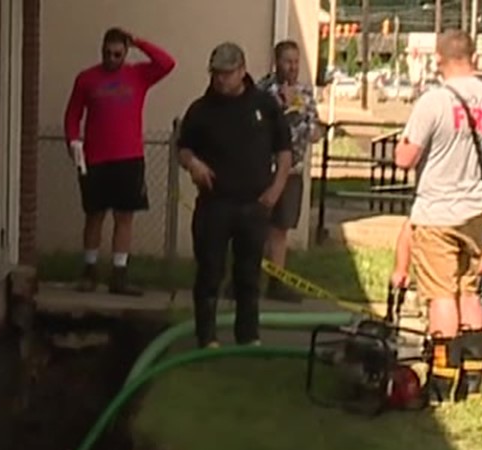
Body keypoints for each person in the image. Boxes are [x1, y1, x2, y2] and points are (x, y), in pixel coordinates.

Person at [389, 29, 482, 367]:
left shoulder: (433, 101)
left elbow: (405, 159)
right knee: (468, 291)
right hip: (476, 212)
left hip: (437, 213)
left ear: (438, 61)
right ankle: (474, 375)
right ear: (474, 58)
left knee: (441, 297)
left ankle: (443, 377)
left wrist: (401, 146)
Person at [176, 43, 293, 350]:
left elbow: (284, 151)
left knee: (248, 274)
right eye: (216, 74)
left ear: (242, 71)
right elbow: (184, 147)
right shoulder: (201, 110)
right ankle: (207, 336)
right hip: (215, 204)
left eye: (227, 74)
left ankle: (248, 336)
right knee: (210, 272)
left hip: (253, 204)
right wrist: (193, 163)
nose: (221, 80)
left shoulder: (265, 106)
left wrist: (276, 188)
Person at [63, 27, 176, 295]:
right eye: (107, 53)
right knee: (94, 216)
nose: (112, 58)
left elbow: (167, 63)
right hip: (95, 158)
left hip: (129, 158)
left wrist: (138, 41)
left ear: (125, 53)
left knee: (124, 217)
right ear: (101, 50)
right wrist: (73, 142)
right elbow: (72, 115)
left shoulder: (138, 74)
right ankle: (89, 270)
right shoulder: (87, 79)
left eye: (117, 53)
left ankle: (119, 274)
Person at [256, 41, 322, 302]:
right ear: (277, 62)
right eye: (287, 61)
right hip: (266, 169)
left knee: (281, 227)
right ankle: (246, 278)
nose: (292, 67)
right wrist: (283, 107)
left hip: (293, 169)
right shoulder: (263, 91)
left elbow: (313, 126)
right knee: (257, 225)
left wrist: (313, 128)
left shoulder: (305, 92)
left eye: (296, 61)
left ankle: (277, 281)